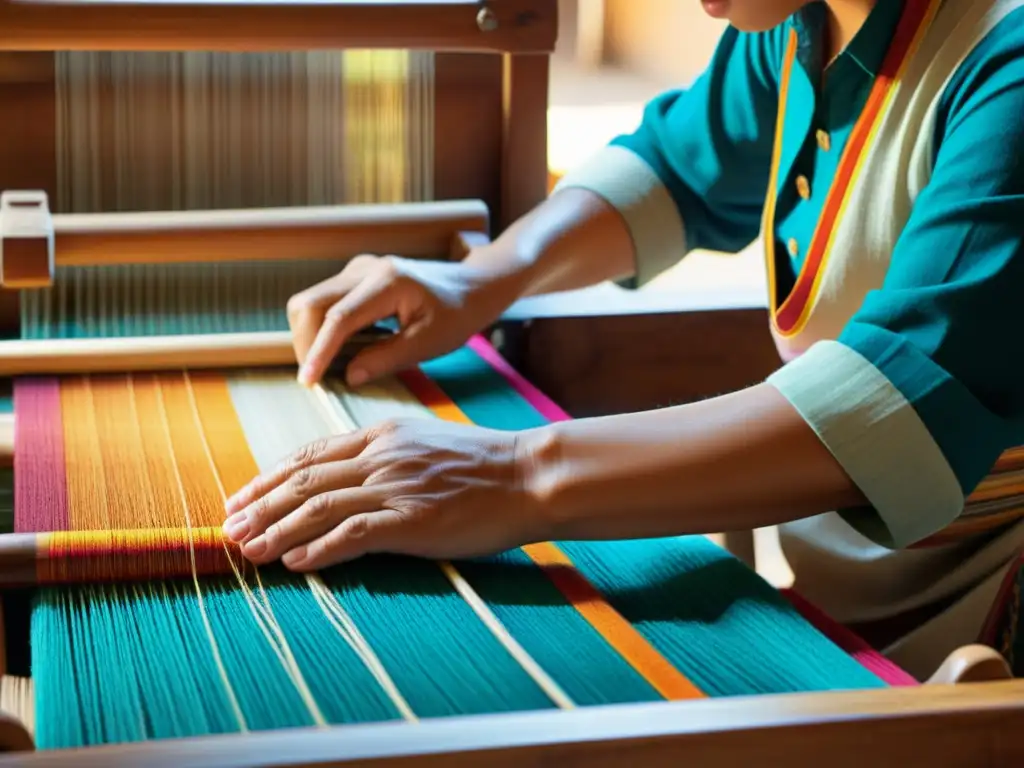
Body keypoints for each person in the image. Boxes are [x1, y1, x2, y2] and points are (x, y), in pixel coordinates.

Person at [221, 0, 1024, 680]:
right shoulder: (802, 25)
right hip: (842, 591)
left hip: (983, 615)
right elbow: (676, 166)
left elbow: (900, 410)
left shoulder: (1007, 64)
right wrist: (480, 280)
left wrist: (517, 471)